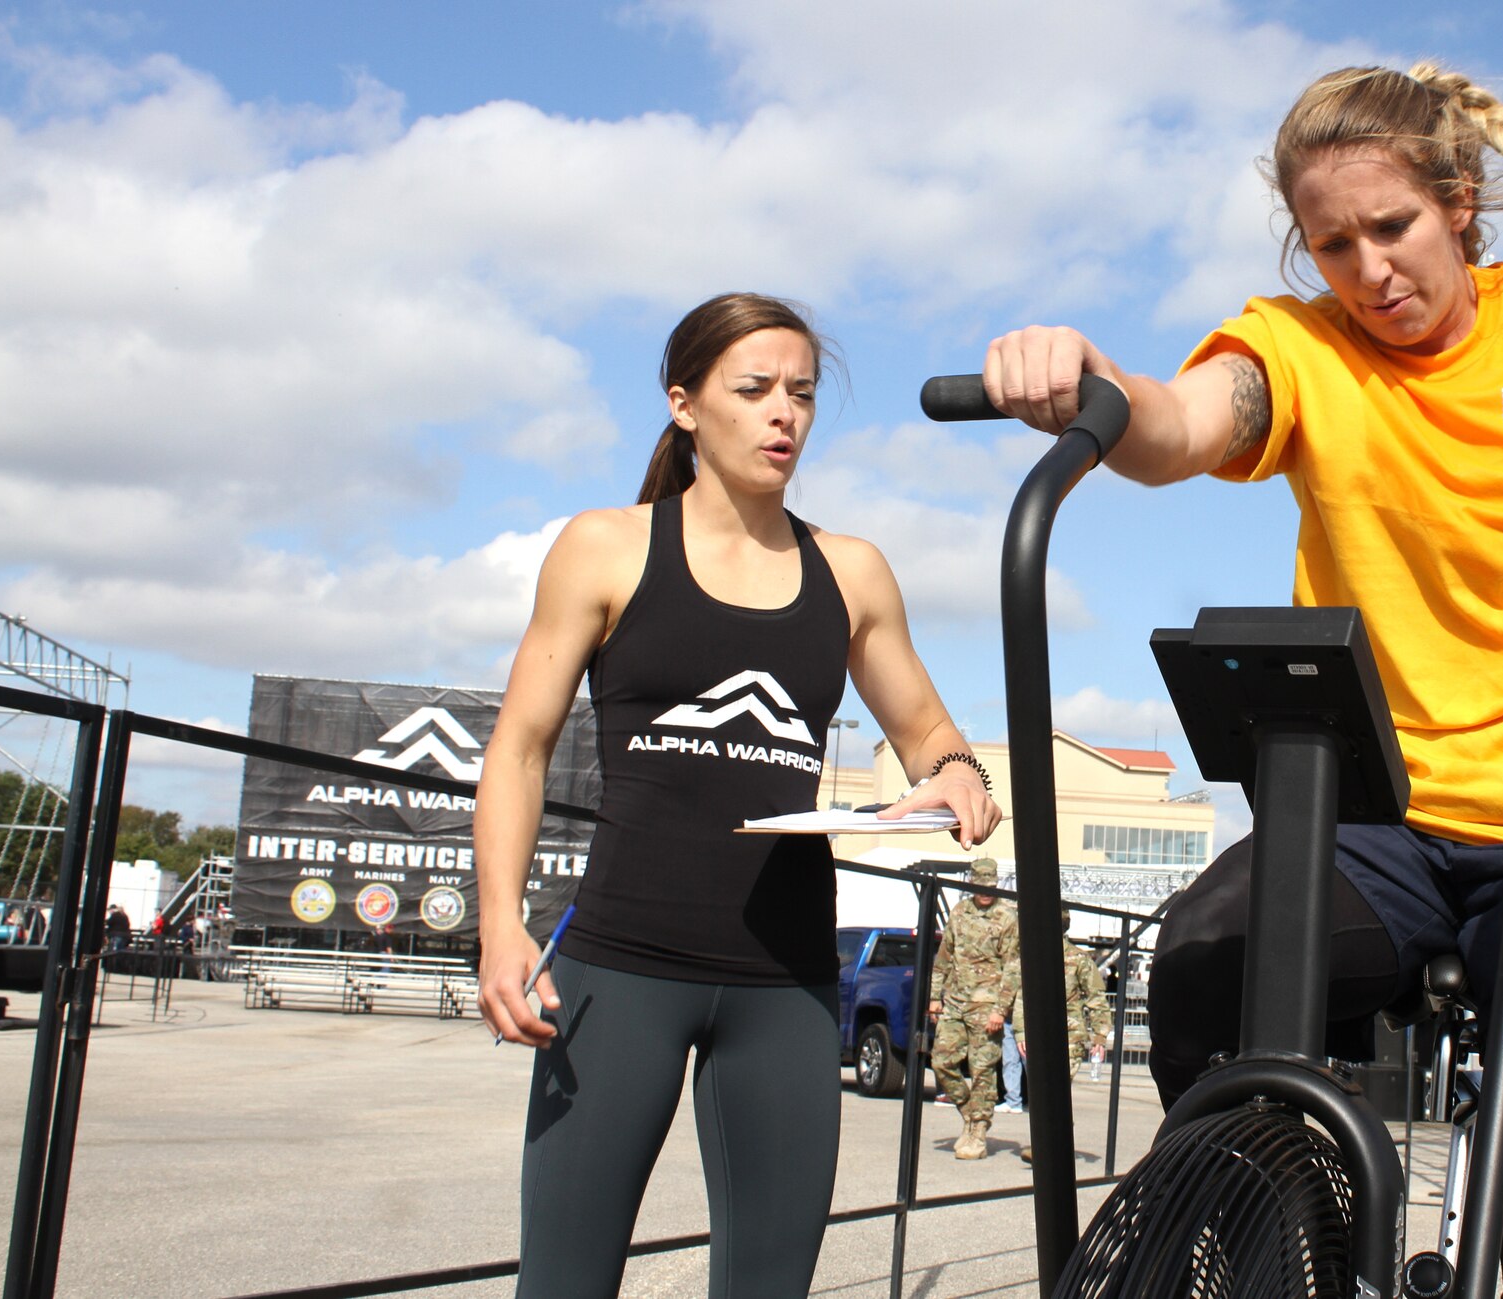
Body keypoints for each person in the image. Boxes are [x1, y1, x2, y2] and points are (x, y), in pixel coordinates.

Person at [983, 61, 1503, 1296]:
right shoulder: (1300, 349)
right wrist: (1091, 381)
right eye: (1331, 244)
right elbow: (1179, 425)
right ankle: (1289, 1233)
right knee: (1202, 962)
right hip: (1383, 817)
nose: (1367, 272)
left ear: (1458, 200)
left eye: (1390, 228)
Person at [475, 292, 1002, 1299]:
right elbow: (519, 751)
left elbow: (935, 738)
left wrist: (957, 782)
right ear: (684, 405)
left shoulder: (850, 572)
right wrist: (501, 928)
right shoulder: (606, 546)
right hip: (619, 970)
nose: (783, 416)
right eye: (753, 390)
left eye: (799, 394)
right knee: (563, 1282)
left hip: (787, 984)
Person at [927, 856, 1019, 1160]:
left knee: (982, 1070)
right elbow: (944, 957)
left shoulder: (1006, 918)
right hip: (955, 1001)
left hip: (986, 1005)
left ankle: (978, 1130)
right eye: (980, 886)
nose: (985, 892)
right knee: (942, 1061)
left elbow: (1013, 968)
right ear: (972, 884)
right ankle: (969, 1112)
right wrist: (934, 996)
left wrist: (1000, 1009)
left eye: (990, 887)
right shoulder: (960, 913)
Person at [1012, 908, 1113, 1164]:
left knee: (1054, 1088)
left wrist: (1100, 1037)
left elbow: (1096, 999)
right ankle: (1053, 1143)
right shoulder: (1031, 956)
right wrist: (1021, 1030)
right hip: (1038, 1033)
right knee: (1044, 1090)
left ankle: (1047, 1148)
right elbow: (1023, 996)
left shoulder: (1079, 960)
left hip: (1070, 1035)